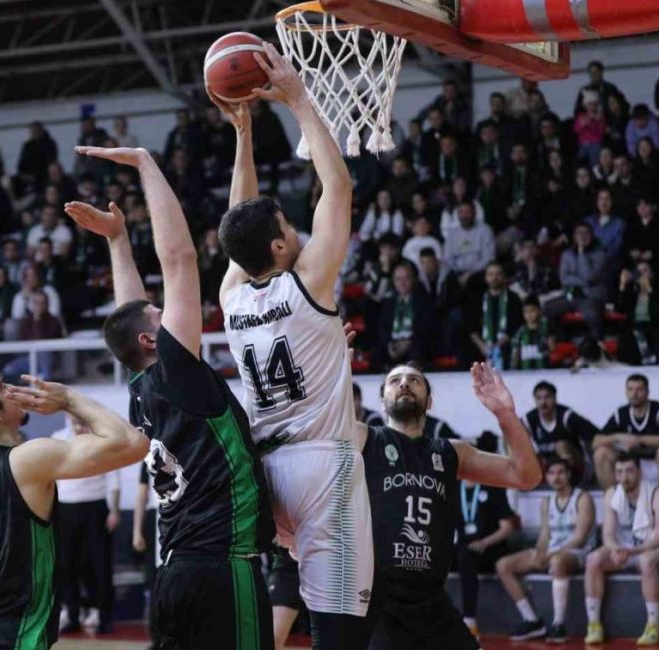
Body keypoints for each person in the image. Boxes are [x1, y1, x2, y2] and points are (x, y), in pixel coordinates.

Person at [68, 141, 275, 649]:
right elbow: (180, 259)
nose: (166, 316)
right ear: (149, 341)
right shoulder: (175, 371)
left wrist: (117, 241)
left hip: (174, 572)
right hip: (223, 566)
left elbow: (130, 310)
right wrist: (145, 163)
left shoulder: (143, 390)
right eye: (159, 320)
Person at [217, 43, 372, 647]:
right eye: (286, 226)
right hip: (320, 464)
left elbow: (240, 219)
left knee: (286, 609)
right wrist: (300, 99)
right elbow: (338, 189)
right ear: (279, 249)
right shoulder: (309, 285)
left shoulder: (232, 297)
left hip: (267, 472)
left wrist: (244, 135)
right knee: (339, 627)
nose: (294, 229)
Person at [0, 362, 147, 648]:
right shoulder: (25, 459)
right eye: (4, 387)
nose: (14, 390)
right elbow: (131, 443)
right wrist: (68, 399)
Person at [363, 363, 541, 649]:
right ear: (382, 400)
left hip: (432, 602)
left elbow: (526, 476)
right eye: (395, 380)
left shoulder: (450, 452)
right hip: (380, 604)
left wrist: (505, 414)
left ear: (429, 401)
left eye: (414, 380)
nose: (404, 383)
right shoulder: (366, 439)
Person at [496, 458, 595, 642]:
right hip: (552, 551)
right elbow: (544, 535)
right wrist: (540, 552)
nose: (556, 477)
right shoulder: (546, 501)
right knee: (503, 565)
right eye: (551, 473)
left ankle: (559, 625)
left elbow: (580, 538)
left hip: (577, 553)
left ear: (569, 474)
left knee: (557, 563)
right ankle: (532, 620)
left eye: (560, 472)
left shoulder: (583, 498)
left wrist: (550, 555)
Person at [583, 452, 659, 646]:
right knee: (593, 559)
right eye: (619, 472)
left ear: (639, 472)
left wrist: (631, 552)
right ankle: (594, 624)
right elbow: (608, 534)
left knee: (646, 560)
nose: (624, 477)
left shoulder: (658, 493)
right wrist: (616, 550)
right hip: (625, 550)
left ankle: (653, 626)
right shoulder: (611, 494)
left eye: (629, 471)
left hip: (657, 550)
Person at [50, 415, 121, 634]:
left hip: (96, 507)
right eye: (74, 421)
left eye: (82, 422)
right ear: (68, 419)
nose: (79, 426)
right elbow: (51, 476)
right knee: (65, 564)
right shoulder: (58, 439)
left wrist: (115, 510)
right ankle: (72, 614)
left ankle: (104, 616)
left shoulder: (101, 442)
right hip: (65, 508)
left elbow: (113, 478)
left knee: (100, 564)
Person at [454, 431, 519, 636]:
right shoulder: (453, 487)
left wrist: (484, 542)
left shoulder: (493, 487)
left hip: (491, 548)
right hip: (464, 547)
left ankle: (470, 621)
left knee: (467, 555)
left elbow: (507, 527)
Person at [595, 374, 659, 492]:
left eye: (639, 389)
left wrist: (640, 439)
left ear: (647, 392)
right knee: (601, 452)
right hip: (634, 467)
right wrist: (617, 437)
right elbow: (596, 441)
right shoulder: (621, 413)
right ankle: (613, 501)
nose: (634, 394)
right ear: (626, 392)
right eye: (630, 389)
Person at [524, 381, 599, 480]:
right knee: (515, 442)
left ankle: (570, 484)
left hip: (578, 468)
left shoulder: (567, 417)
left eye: (547, 397)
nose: (543, 402)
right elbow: (509, 436)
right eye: (539, 398)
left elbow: (596, 435)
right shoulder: (530, 419)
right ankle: (515, 489)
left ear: (555, 398)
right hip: (549, 468)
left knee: (561, 445)